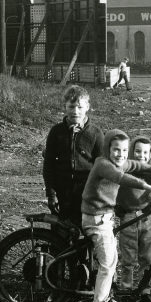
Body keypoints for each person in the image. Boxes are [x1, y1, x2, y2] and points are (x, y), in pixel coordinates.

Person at [82, 129, 151, 302]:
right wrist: (150, 187)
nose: (121, 154)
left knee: (113, 257)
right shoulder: (103, 164)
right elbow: (123, 178)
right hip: (95, 219)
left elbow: (136, 165)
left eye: (124, 150)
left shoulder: (120, 161)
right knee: (108, 263)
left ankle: (107, 296)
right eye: (116, 149)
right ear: (108, 149)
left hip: (105, 217)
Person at [115, 136, 151, 302]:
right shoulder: (124, 170)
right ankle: (126, 289)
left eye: (145, 152)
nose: (141, 155)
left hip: (146, 218)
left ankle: (144, 290)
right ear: (131, 151)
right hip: (128, 218)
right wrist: (117, 208)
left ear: (150, 154)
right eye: (137, 151)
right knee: (128, 256)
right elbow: (111, 189)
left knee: (147, 256)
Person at [42, 85, 104, 229]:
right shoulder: (56, 131)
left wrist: (100, 195)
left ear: (87, 107)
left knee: (87, 235)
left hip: (87, 193)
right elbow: (49, 164)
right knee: (60, 235)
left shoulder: (96, 133)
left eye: (80, 107)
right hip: (62, 193)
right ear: (65, 107)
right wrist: (51, 194)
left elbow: (102, 167)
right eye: (71, 107)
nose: (75, 111)